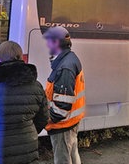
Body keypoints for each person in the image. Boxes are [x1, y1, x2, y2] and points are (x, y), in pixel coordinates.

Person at [43, 26, 85, 164]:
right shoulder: (69, 59)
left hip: (62, 125)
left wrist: (47, 119)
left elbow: (62, 107)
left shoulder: (65, 67)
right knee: (72, 154)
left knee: (63, 159)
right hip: (71, 122)